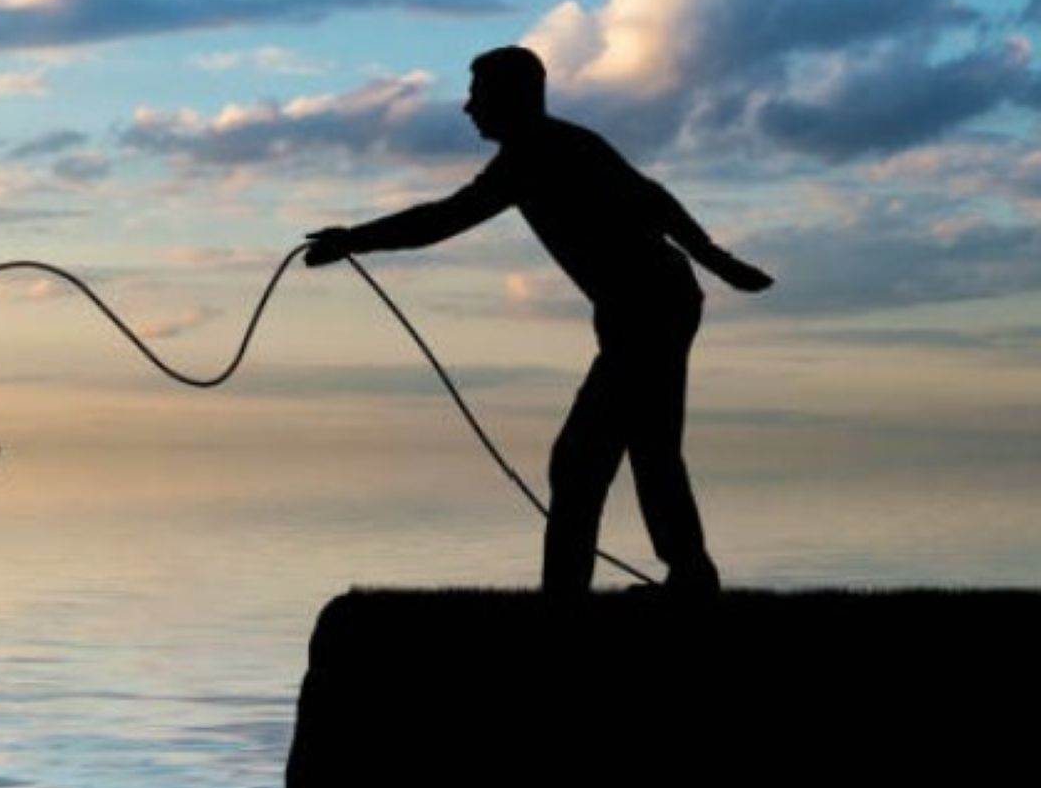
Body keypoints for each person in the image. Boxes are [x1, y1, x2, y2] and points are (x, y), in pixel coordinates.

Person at [304, 46, 773, 596]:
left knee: (581, 460)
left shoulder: (536, 154)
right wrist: (716, 261)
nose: (468, 108)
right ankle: (688, 575)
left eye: (477, 94)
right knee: (647, 447)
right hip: (655, 306)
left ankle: (570, 598)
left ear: (510, 97)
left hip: (650, 310)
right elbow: (653, 199)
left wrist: (351, 240)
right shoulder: (558, 146)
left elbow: (445, 219)